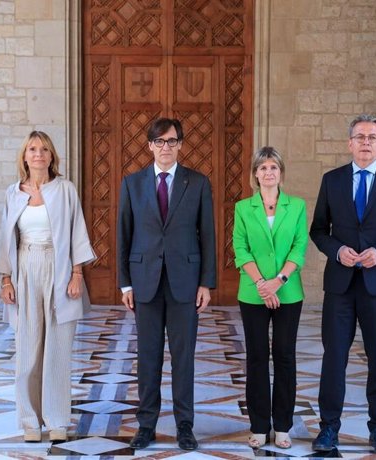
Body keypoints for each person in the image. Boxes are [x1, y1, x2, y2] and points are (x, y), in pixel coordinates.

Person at [309, 114, 376, 456]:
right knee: (334, 358)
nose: (366, 142)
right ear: (350, 143)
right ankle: (328, 429)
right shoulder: (332, 180)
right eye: (360, 136)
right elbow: (317, 230)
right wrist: (337, 249)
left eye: (372, 137)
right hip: (340, 285)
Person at [117, 117, 216, 451]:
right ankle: (146, 425)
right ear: (149, 146)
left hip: (185, 284)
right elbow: (123, 236)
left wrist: (207, 282)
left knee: (183, 357)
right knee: (147, 357)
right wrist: (124, 284)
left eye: (172, 141)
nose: (165, 148)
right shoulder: (132, 183)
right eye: (159, 142)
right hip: (144, 282)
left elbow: (208, 235)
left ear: (181, 145)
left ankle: (184, 426)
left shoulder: (198, 183)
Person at [0, 131, 96, 442]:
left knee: (58, 349)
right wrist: (6, 279)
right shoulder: (13, 193)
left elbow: (77, 229)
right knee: (27, 349)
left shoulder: (65, 189)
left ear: (52, 156)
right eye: (32, 149)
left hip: (59, 267)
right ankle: (28, 421)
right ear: (24, 156)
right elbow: (5, 238)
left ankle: (57, 422)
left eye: (44, 149)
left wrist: (77, 274)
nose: (38, 154)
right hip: (25, 269)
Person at [232, 147, 308, 449]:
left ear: (282, 172)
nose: (268, 172)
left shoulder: (298, 206)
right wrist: (263, 284)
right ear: (255, 175)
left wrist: (278, 282)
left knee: (285, 357)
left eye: (273, 166)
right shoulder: (243, 208)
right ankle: (260, 425)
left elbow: (299, 248)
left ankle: (284, 426)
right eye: (262, 167)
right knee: (257, 357)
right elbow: (241, 248)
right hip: (253, 292)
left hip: (288, 292)